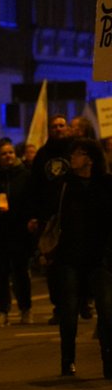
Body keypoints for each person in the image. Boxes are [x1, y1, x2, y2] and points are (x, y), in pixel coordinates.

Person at [38, 139, 112, 376]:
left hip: (100, 257)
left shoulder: (106, 184)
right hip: (69, 257)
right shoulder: (64, 185)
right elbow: (49, 211)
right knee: (68, 312)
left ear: (90, 158)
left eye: (78, 154)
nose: (73, 158)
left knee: (107, 310)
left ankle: (108, 360)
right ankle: (67, 360)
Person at [0, 140, 33, 326]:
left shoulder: (25, 176)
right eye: (4, 153)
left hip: (19, 231)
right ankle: (2, 310)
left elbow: (31, 202)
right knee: (1, 273)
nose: (8, 156)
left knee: (21, 272)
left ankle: (25, 308)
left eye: (11, 152)